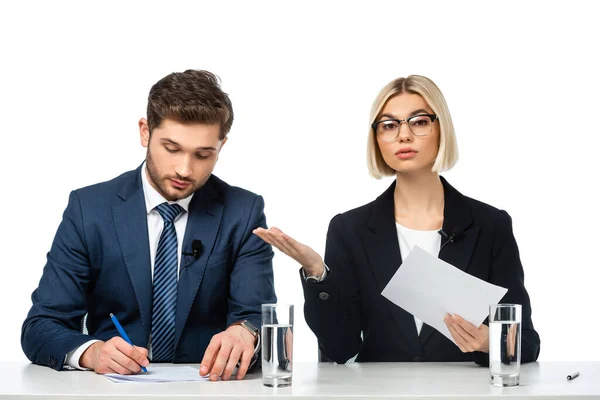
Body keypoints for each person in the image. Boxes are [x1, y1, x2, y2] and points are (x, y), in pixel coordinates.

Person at [254, 75, 540, 366]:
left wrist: (489, 342)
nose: (403, 135)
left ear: (442, 129)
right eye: (389, 125)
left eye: (419, 122)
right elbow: (340, 349)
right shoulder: (349, 230)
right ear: (377, 139)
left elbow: (527, 343)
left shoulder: (491, 225)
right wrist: (318, 272)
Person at [22, 70, 276, 380]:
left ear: (221, 146)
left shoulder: (243, 212)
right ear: (145, 132)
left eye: (203, 154)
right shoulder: (90, 209)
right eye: (171, 149)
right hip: (113, 391)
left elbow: (255, 316)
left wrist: (245, 332)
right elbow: (41, 325)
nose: (184, 169)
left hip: (208, 389)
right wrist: (93, 352)